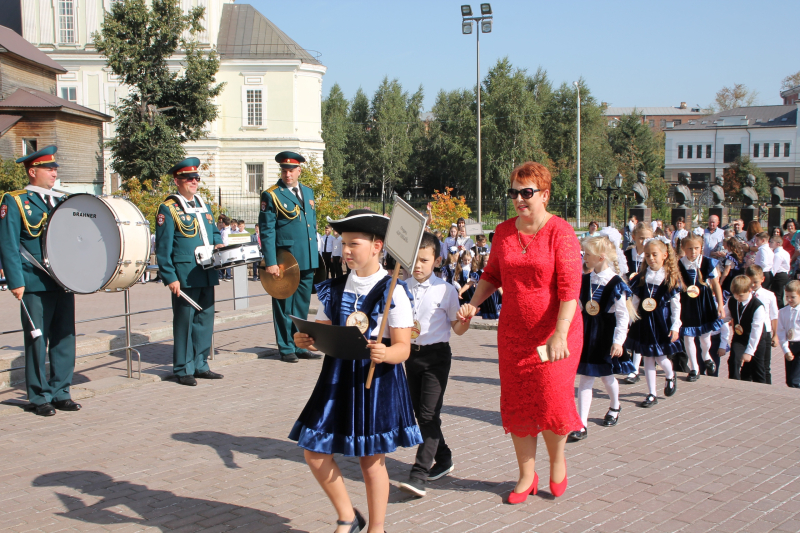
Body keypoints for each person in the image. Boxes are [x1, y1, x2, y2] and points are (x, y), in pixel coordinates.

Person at [290, 209, 422, 533]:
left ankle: (377, 528)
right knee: (313, 451)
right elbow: (323, 330)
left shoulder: (394, 290)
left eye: (354, 243)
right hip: (336, 378)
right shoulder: (333, 289)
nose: (346, 250)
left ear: (377, 245)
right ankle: (348, 517)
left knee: (371, 460)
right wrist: (307, 338)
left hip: (375, 382)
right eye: (344, 243)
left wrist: (387, 351)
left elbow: (403, 347)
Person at [457, 161, 582, 502]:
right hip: (514, 335)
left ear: (545, 195)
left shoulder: (561, 232)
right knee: (517, 404)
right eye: (514, 192)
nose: (519, 200)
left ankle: (558, 460)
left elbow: (570, 289)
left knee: (551, 399)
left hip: (556, 333)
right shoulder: (504, 232)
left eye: (526, 193)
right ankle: (526, 474)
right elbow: (492, 274)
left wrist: (559, 333)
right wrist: (473, 303)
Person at [0, 145, 81, 417]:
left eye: (55, 168)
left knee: (64, 337)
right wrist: (15, 281)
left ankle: (61, 392)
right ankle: (39, 396)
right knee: (37, 339)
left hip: (62, 282)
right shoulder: (15, 201)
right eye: (49, 168)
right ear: (32, 171)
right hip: (33, 282)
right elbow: (8, 244)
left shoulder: (60, 200)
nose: (54, 172)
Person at [397, 233, 470, 498]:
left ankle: (419, 474)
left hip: (436, 359)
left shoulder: (446, 290)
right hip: (410, 355)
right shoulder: (401, 286)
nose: (418, 266)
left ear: (437, 260)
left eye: (424, 260)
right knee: (421, 415)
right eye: (414, 260)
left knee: (428, 415)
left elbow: (457, 328)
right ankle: (445, 458)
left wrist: (466, 319)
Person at [155, 157, 225, 386]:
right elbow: (163, 248)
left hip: (206, 271)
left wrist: (219, 244)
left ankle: (200, 364)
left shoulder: (203, 205)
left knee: (205, 320)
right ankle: (183, 368)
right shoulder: (169, 208)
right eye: (189, 178)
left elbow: (214, 232)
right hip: (184, 275)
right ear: (177, 181)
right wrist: (170, 277)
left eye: (196, 178)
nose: (194, 182)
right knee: (185, 322)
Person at [568, 236, 634, 442]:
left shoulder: (615, 282)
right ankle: (581, 423)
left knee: (606, 377)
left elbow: (623, 315)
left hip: (605, 334)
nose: (584, 257)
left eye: (587, 254)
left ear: (600, 257)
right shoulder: (585, 279)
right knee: (586, 378)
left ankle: (615, 405)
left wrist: (618, 341)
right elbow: (578, 306)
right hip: (587, 334)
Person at [259, 152, 320, 363]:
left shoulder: (308, 192)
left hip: (306, 258)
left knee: (301, 306)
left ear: (299, 171)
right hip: (285, 261)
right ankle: (286, 347)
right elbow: (267, 232)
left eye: (291, 170)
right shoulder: (272, 195)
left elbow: (310, 226)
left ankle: (299, 344)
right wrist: (271, 262)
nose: (288, 174)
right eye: (284, 170)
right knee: (284, 306)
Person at [624, 237, 681, 408]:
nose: (651, 259)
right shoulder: (641, 278)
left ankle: (670, 374)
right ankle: (651, 393)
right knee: (648, 358)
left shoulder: (670, 278)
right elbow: (634, 302)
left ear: (664, 255)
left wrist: (675, 326)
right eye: (647, 255)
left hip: (660, 323)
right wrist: (628, 322)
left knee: (661, 357)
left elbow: (676, 306)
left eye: (654, 255)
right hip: (644, 322)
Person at [678, 235, 724, 381]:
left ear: (701, 248)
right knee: (688, 336)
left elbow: (715, 283)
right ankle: (694, 367)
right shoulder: (679, 264)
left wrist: (720, 304)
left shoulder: (707, 262)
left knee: (705, 337)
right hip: (687, 304)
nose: (693, 251)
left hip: (704, 302)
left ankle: (706, 355)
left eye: (696, 248)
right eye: (690, 248)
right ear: (684, 249)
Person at [719, 275, 768, 382]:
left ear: (750, 290)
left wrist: (750, 352)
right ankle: (734, 384)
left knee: (757, 370)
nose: (737, 298)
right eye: (735, 295)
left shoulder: (757, 306)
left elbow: (756, 331)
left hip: (756, 340)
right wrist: (713, 323)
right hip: (740, 338)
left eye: (740, 295)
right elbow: (725, 317)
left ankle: (761, 391)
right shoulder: (733, 301)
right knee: (734, 360)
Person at [746, 265, 778, 384]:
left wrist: (775, 335)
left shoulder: (769, 295)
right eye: (750, 282)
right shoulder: (745, 294)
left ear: (763, 279)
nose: (753, 285)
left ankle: (767, 388)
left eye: (756, 282)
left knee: (764, 365)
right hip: (750, 332)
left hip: (765, 333)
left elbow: (774, 316)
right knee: (748, 365)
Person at [776, 280, 800, 388]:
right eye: (787, 296)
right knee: (789, 380)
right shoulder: (783, 312)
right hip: (790, 345)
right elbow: (781, 332)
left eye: (793, 297)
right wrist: (786, 349)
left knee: (795, 379)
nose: (789, 299)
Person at [771, 235, 791, 308]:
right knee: (779, 294)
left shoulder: (778, 254)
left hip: (779, 275)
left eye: (772, 242)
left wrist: (770, 277)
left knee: (777, 295)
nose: (770, 243)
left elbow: (774, 268)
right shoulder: (785, 252)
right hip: (784, 275)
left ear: (778, 244)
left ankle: (780, 310)